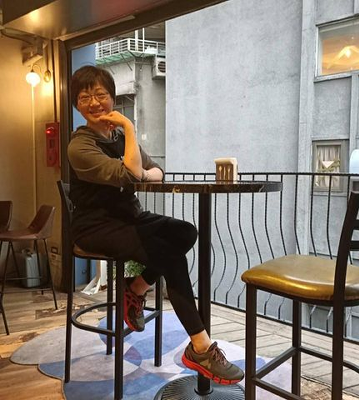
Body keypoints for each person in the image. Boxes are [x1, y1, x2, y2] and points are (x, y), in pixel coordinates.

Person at [67, 65, 244, 385]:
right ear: (77, 105)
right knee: (169, 255)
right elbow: (130, 173)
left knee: (185, 232)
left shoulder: (120, 138)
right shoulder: (79, 146)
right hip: (95, 226)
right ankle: (201, 347)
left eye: (100, 94)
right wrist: (130, 129)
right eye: (84, 97)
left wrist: (135, 156)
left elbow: (155, 171)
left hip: (129, 218)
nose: (94, 103)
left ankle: (135, 289)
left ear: (112, 97)